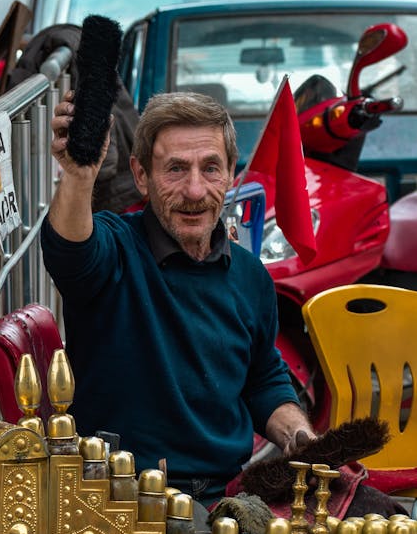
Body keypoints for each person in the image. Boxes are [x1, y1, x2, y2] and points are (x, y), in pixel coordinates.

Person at [40, 89, 316, 508]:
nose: (194, 190)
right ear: (140, 175)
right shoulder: (115, 250)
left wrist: (300, 437)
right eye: (175, 169)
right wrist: (79, 175)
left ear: (229, 174)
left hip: (225, 500)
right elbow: (70, 251)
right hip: (121, 499)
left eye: (210, 169)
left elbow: (263, 378)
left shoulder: (249, 276)